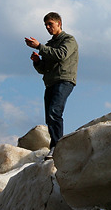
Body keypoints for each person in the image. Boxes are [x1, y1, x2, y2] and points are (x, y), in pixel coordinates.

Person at [24, 12, 78, 157]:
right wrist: (37, 62)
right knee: (49, 116)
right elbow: (44, 69)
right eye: (46, 25)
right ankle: (55, 145)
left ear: (59, 23)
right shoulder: (49, 45)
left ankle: (57, 147)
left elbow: (61, 55)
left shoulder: (69, 40)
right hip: (50, 82)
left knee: (55, 112)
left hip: (64, 80)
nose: (48, 27)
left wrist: (39, 47)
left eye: (50, 24)